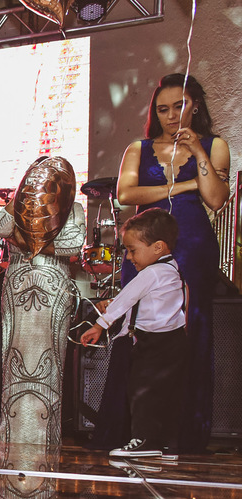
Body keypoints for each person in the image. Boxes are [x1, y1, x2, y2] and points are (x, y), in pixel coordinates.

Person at [99, 74, 231, 454]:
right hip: (143, 248)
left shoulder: (214, 144)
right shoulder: (138, 147)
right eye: (163, 109)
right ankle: (131, 429)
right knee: (136, 330)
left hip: (191, 245)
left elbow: (217, 198)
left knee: (189, 331)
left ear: (195, 106)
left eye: (179, 106)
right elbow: (126, 194)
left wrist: (199, 155)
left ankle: (182, 433)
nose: (171, 115)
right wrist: (185, 186)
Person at [80, 209, 186, 460]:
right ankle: (166, 443)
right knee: (167, 393)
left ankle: (145, 442)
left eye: (132, 250)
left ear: (158, 247)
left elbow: (128, 298)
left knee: (142, 392)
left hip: (153, 343)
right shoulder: (173, 269)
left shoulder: (150, 273)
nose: (128, 257)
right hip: (175, 340)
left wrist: (99, 325)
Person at [0, 175, 85, 448]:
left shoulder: (74, 208)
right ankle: (11, 434)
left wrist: (31, 243)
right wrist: (17, 199)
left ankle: (46, 436)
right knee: (14, 361)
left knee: (50, 362)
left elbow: (73, 243)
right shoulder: (19, 207)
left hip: (53, 289)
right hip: (18, 290)